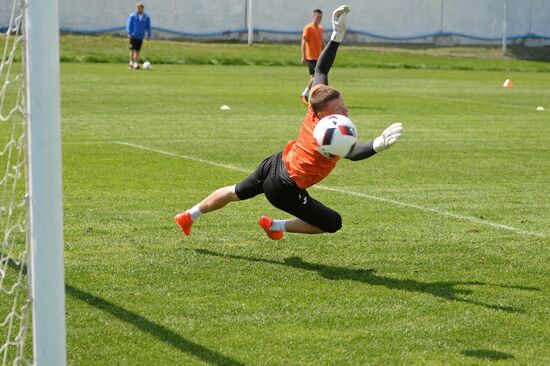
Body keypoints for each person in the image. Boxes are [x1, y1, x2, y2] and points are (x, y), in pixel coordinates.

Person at [175, 5, 403, 240]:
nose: (345, 109)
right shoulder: (328, 134)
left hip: (276, 162)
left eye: (342, 103)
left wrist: (336, 36)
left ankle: (188, 215)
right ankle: (274, 226)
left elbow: (322, 69)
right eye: (338, 108)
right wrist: (379, 143)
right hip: (284, 186)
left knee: (236, 191)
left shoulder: (317, 105)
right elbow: (354, 153)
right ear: (324, 115)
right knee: (332, 222)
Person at [300, 9, 324, 105]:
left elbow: (321, 42)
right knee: (315, 76)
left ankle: (312, 97)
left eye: (320, 17)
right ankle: (304, 93)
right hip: (310, 56)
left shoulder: (320, 28)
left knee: (314, 77)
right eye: (317, 17)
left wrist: (324, 52)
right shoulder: (308, 28)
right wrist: (303, 56)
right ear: (313, 16)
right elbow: (303, 42)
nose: (319, 19)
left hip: (318, 57)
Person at [126, 3, 151, 70]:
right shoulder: (133, 16)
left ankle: (135, 63)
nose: (138, 9)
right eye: (137, 8)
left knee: (137, 50)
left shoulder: (146, 17)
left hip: (140, 36)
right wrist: (129, 33)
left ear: (142, 8)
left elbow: (148, 26)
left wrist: (149, 34)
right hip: (133, 35)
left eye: (140, 8)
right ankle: (131, 62)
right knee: (132, 49)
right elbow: (129, 24)